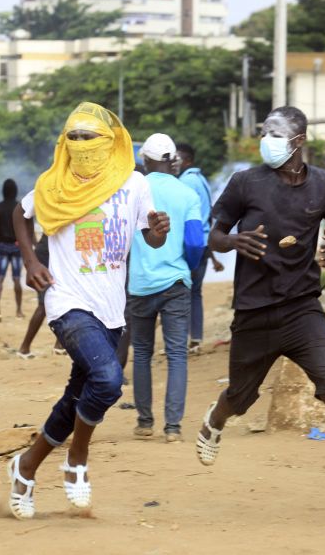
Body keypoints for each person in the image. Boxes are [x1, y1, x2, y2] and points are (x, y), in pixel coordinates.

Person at [195, 106, 325, 529]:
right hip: (254, 310)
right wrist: (233, 241)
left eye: (275, 133)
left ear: (298, 141)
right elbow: (215, 234)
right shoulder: (245, 182)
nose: (267, 138)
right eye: (265, 131)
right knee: (241, 399)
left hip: (303, 308)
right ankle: (216, 418)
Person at [8, 102, 168, 519]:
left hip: (112, 307)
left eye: (89, 137)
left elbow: (149, 237)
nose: (80, 144)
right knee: (108, 379)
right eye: (73, 137)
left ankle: (25, 467)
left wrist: (158, 231)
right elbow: (20, 215)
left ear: (111, 142)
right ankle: (77, 460)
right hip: (67, 301)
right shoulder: (53, 183)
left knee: (79, 394)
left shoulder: (134, 184)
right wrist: (31, 262)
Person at [129, 134, 205, 442]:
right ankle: (172, 427)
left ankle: (145, 421)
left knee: (142, 353)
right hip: (175, 282)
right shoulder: (187, 194)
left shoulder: (134, 192)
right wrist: (186, 265)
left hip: (140, 283)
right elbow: (195, 242)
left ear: (145, 161)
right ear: (172, 160)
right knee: (176, 355)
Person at [176, 143, 224, 354]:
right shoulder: (200, 179)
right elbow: (208, 217)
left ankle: (182, 341)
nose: (173, 161)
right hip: (203, 244)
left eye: (176, 158)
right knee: (195, 293)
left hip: (192, 245)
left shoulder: (186, 181)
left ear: (187, 161)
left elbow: (188, 219)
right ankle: (195, 339)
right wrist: (212, 256)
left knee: (184, 292)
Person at [0, 178, 23, 321]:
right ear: (15, 191)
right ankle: (18, 310)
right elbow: (24, 229)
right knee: (17, 280)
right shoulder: (20, 207)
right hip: (17, 247)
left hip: (2, 246)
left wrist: (1, 231)